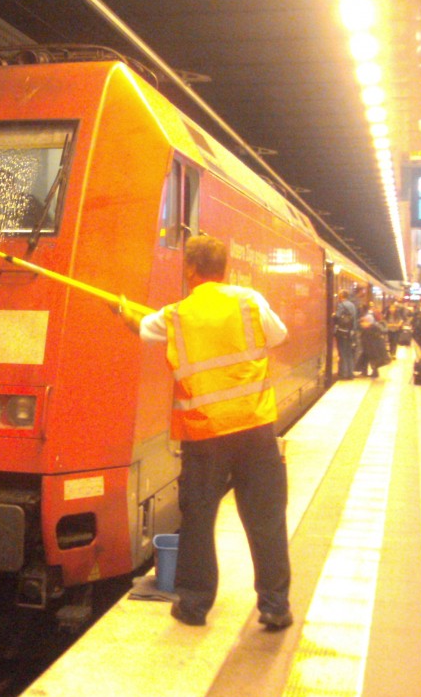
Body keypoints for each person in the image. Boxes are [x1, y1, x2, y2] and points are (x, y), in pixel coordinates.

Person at [118, 234, 292, 630]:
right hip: (254, 427)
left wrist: (122, 310)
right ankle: (274, 605)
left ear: (191, 269)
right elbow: (279, 335)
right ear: (225, 268)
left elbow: (139, 327)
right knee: (266, 517)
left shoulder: (176, 314)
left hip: (205, 434)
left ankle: (194, 606)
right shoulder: (250, 301)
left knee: (198, 519)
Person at [356, 304, 390, 379]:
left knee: (373, 360)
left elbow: (374, 339)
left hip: (373, 348)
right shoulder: (368, 328)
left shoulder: (372, 328)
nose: (362, 325)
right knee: (366, 359)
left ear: (368, 322)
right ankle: (365, 372)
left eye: (363, 323)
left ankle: (374, 372)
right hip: (370, 348)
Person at [333, 289, 358, 380]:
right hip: (351, 332)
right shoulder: (352, 305)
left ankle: (344, 373)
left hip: (342, 332)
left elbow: (337, 316)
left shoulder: (341, 305)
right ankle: (350, 373)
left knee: (342, 353)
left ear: (341, 296)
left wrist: (333, 315)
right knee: (349, 353)